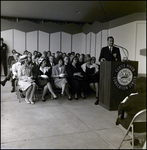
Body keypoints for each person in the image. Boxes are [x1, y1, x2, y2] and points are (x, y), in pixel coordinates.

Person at [116, 77, 146, 145]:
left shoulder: (132, 98)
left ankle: (134, 138)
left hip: (134, 129)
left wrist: (125, 100)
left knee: (119, 119)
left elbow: (120, 107)